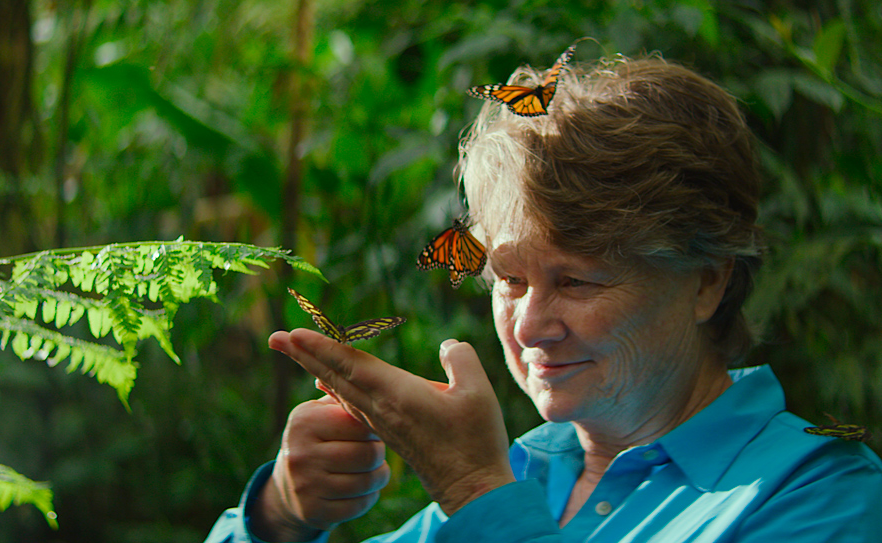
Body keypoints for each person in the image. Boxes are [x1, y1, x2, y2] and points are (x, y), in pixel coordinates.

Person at [204, 54, 882, 543]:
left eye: (579, 280)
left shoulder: (823, 494)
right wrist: (280, 514)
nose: (529, 325)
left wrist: (474, 491)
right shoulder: (525, 468)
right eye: (509, 279)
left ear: (707, 281)